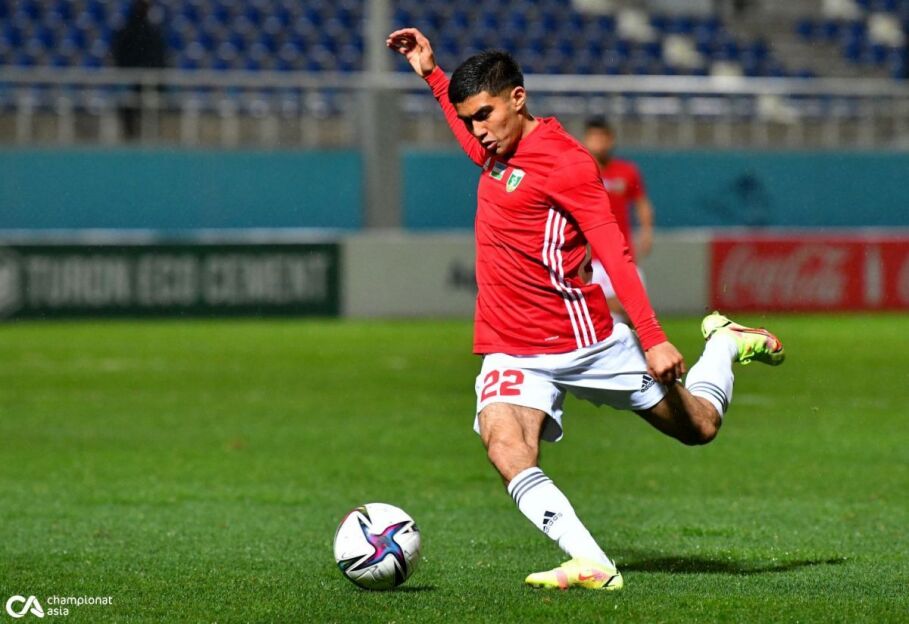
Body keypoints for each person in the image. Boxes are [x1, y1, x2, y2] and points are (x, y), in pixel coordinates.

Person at [387, 28, 785, 591]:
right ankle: (592, 562)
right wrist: (432, 74)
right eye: (471, 120)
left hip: (586, 343)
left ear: (518, 99)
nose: (478, 131)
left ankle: (722, 343)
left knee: (699, 428)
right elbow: (469, 134)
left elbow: (614, 251)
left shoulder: (567, 163)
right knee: (505, 447)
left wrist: (653, 337)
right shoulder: (495, 151)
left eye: (485, 115)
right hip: (510, 347)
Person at [582, 118, 655, 325]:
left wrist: (647, 231)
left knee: (634, 317)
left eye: (602, 137)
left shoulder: (627, 171)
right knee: (602, 319)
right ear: (586, 139)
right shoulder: (580, 171)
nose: (599, 142)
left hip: (623, 253)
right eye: (594, 137)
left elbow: (641, 202)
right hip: (592, 258)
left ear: (611, 139)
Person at [111, 0, 167, 140]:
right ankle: (136, 136)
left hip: (145, 81)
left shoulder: (150, 32)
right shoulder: (133, 31)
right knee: (134, 110)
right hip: (132, 81)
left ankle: (139, 136)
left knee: (147, 110)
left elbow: (160, 58)